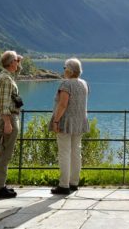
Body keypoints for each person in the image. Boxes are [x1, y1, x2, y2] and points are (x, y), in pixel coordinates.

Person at [50, 57, 89, 195]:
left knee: (64, 153)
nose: (63, 70)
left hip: (65, 122)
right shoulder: (84, 83)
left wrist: (55, 121)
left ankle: (63, 185)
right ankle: (74, 182)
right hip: (80, 122)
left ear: (69, 70)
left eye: (64, 67)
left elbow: (63, 105)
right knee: (76, 152)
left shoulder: (66, 84)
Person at [0, 50, 23, 199]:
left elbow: (15, 76)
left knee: (1, 153)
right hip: (9, 119)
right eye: (16, 60)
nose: (18, 62)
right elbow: (3, 104)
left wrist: (19, 62)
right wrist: (8, 123)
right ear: (11, 63)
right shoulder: (6, 79)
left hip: (8, 119)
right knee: (5, 154)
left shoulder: (7, 76)